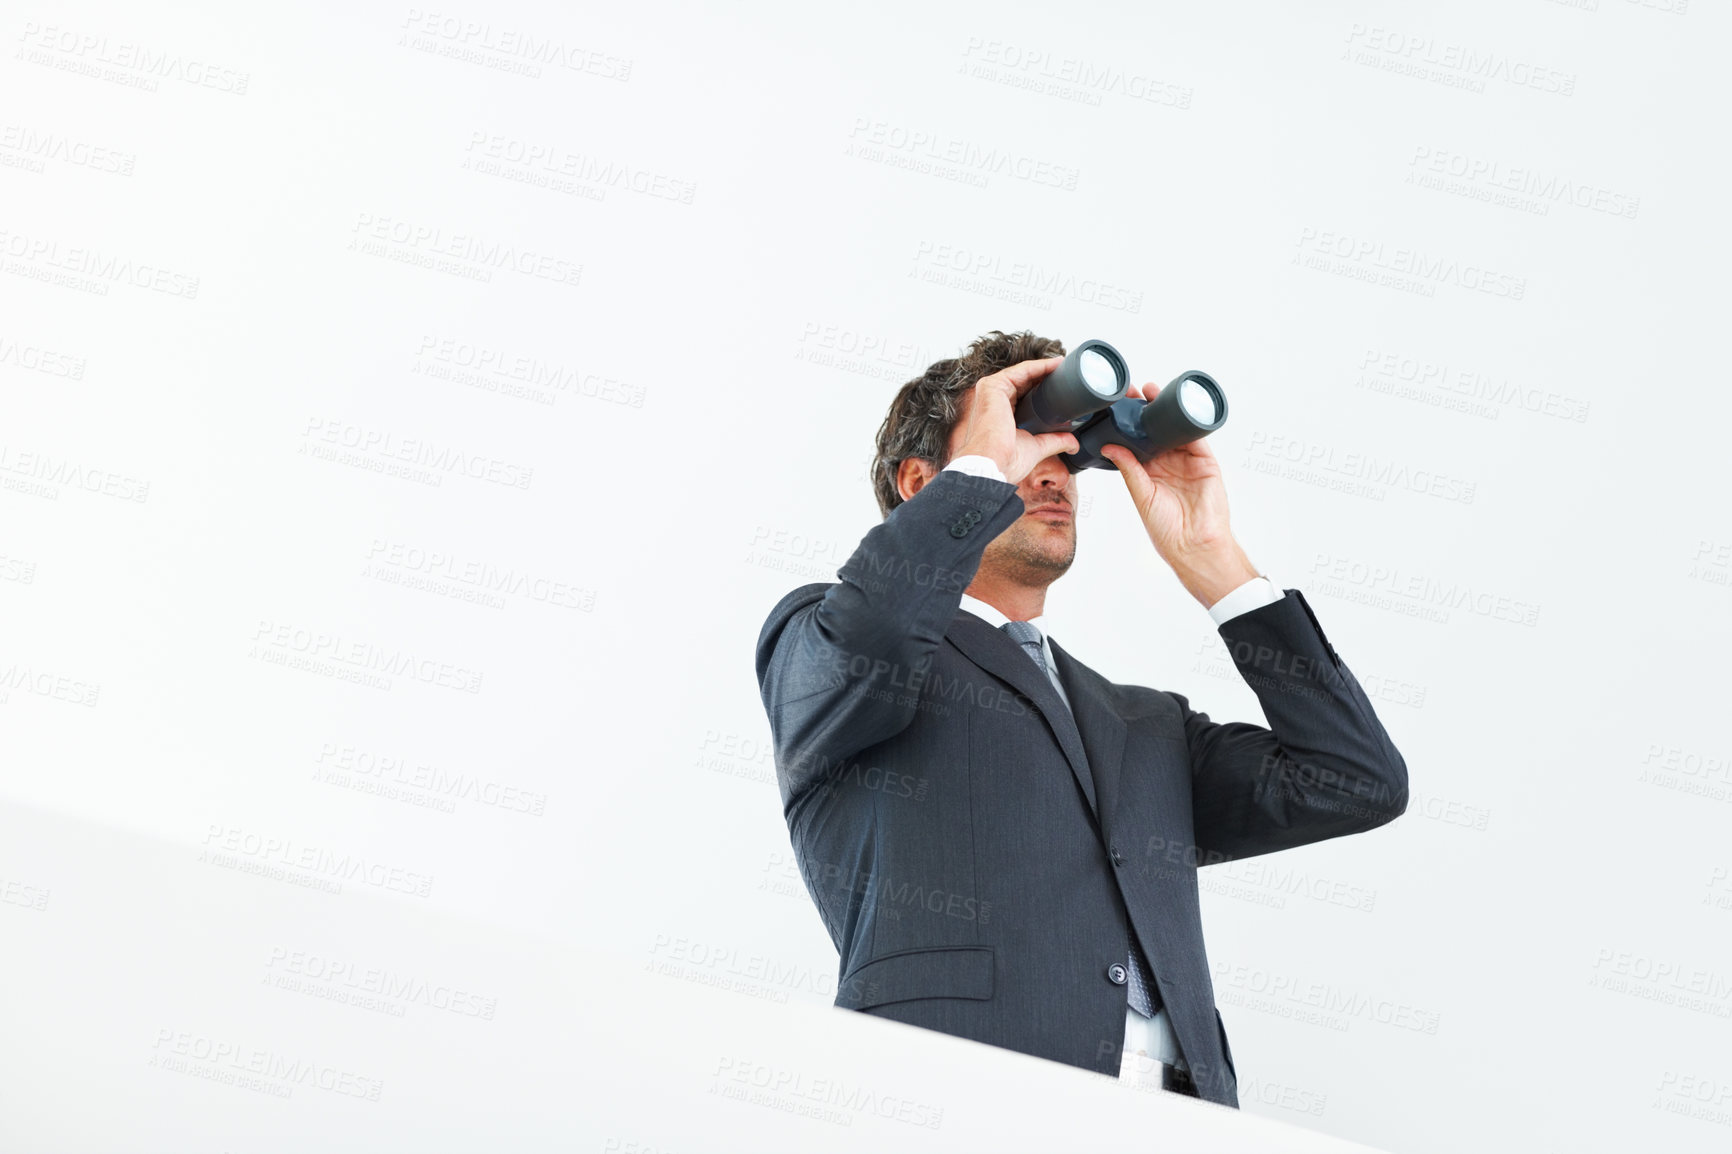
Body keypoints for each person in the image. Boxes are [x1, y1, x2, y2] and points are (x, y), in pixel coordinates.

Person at [753, 330, 1409, 1105]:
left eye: (1066, 456)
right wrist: (982, 467)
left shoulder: (1143, 724)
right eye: (1022, 445)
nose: (1053, 473)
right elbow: (880, 627)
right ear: (921, 481)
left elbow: (1356, 781)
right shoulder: (826, 645)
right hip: (954, 1100)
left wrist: (1215, 560)